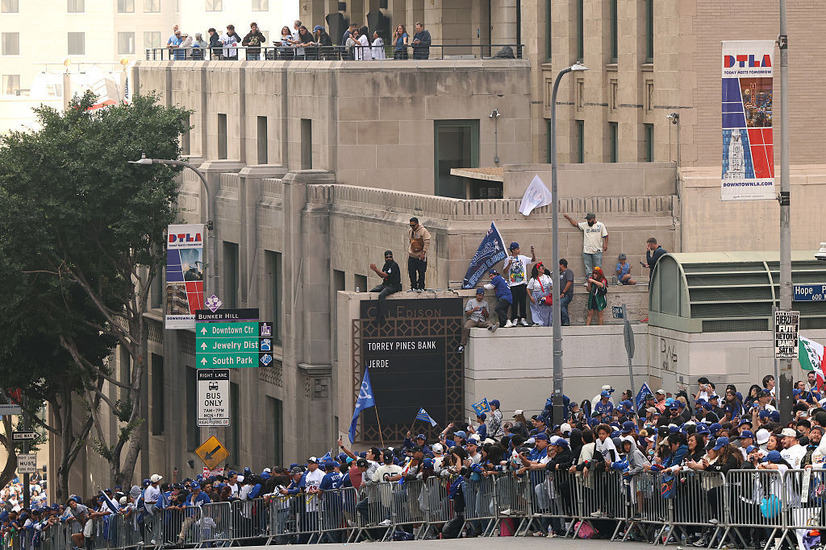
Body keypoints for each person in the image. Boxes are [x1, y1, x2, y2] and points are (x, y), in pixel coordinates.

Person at [563, 212, 608, 279]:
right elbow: (576, 224)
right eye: (587, 220)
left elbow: (605, 236)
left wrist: (605, 245)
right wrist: (568, 218)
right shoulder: (585, 225)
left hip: (597, 250)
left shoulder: (601, 225)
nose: (588, 221)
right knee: (588, 268)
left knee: (598, 268)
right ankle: (589, 281)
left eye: (589, 220)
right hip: (587, 251)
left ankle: (599, 281)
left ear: (593, 219)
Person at [502, 242, 536, 327]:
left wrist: (532, 253)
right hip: (513, 284)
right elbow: (505, 271)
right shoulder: (507, 259)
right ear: (513, 250)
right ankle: (514, 318)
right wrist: (509, 264)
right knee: (514, 302)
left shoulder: (522, 258)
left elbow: (533, 260)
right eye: (517, 249)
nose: (518, 250)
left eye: (518, 248)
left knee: (522, 301)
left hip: (522, 283)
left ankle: (523, 318)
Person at [459, 288, 497, 353]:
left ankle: (492, 327)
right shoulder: (471, 302)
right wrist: (473, 310)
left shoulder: (485, 303)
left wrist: (485, 312)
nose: (480, 297)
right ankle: (462, 345)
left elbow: (487, 316)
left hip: (481, 320)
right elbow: (467, 313)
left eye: (482, 296)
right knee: (466, 327)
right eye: (479, 295)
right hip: (473, 319)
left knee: (488, 323)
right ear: (476, 295)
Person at [368, 250, 401, 324]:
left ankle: (381, 317)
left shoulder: (394, 265)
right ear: (385, 258)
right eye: (387, 257)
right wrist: (376, 271)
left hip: (394, 286)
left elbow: (385, 275)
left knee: (382, 295)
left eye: (390, 257)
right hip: (386, 284)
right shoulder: (386, 265)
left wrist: (376, 269)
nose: (389, 258)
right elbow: (382, 276)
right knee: (373, 291)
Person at [407, 217, 431, 291]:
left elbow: (427, 242)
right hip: (412, 255)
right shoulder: (411, 231)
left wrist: (423, 253)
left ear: (417, 224)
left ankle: (421, 287)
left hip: (420, 256)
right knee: (411, 272)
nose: (412, 227)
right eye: (411, 225)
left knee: (421, 272)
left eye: (413, 225)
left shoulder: (423, 231)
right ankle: (413, 286)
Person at [527, 262, 553, 326]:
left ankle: (547, 323)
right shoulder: (533, 279)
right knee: (537, 310)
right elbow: (528, 288)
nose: (543, 269)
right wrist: (531, 297)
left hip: (546, 295)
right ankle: (538, 322)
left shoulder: (547, 277)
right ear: (538, 269)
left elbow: (551, 286)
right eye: (542, 268)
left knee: (547, 310)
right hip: (537, 295)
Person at [558, 259, 574, 326]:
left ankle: (566, 321)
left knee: (561, 304)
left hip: (567, 294)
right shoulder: (560, 273)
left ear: (562, 265)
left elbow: (569, 282)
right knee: (562, 306)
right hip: (561, 294)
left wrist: (564, 292)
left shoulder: (568, 272)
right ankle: (562, 321)